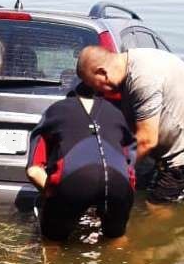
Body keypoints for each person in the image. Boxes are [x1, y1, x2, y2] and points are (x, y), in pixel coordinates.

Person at [77, 46, 184, 205]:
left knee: (156, 207)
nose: (96, 92)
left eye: (94, 85)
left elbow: (147, 141)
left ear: (102, 72)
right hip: (176, 142)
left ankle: (176, 228)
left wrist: (111, 176)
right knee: (145, 190)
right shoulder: (133, 62)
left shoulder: (142, 79)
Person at [26, 83, 136, 242]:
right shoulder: (117, 113)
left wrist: (56, 195)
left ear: (71, 94)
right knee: (116, 240)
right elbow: (130, 168)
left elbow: (34, 171)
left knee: (51, 243)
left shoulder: (55, 110)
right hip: (120, 184)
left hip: (76, 180)